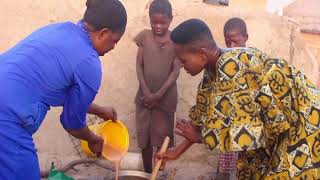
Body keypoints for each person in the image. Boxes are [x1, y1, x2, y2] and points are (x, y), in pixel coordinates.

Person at [158, 19, 320, 179]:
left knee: (284, 173)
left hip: (304, 120)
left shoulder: (233, 66)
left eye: (183, 60)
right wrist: (176, 152)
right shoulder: (211, 70)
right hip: (280, 129)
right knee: (252, 171)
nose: (180, 65)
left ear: (202, 54)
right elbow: (200, 116)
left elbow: (245, 133)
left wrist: (200, 138)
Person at [0, 0, 127, 179]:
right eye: (114, 41)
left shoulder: (60, 30)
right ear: (103, 33)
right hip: (6, 118)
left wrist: (99, 111)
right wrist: (94, 140)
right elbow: (72, 123)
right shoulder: (89, 63)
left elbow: (56, 88)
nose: (113, 47)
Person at [134, 0, 181, 173]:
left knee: (162, 139)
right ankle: (147, 173)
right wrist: (147, 92)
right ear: (149, 19)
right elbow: (139, 66)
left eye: (163, 22)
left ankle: (158, 173)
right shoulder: (144, 37)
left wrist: (158, 95)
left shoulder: (176, 41)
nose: (158, 26)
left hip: (165, 99)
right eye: (154, 22)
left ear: (170, 20)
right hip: (144, 98)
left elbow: (175, 71)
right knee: (145, 139)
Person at [215, 17, 248, 180]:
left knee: (245, 168)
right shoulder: (223, 63)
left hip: (248, 128)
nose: (231, 47)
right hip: (228, 126)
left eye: (235, 41)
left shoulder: (253, 63)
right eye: (228, 42)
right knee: (224, 169)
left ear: (246, 38)